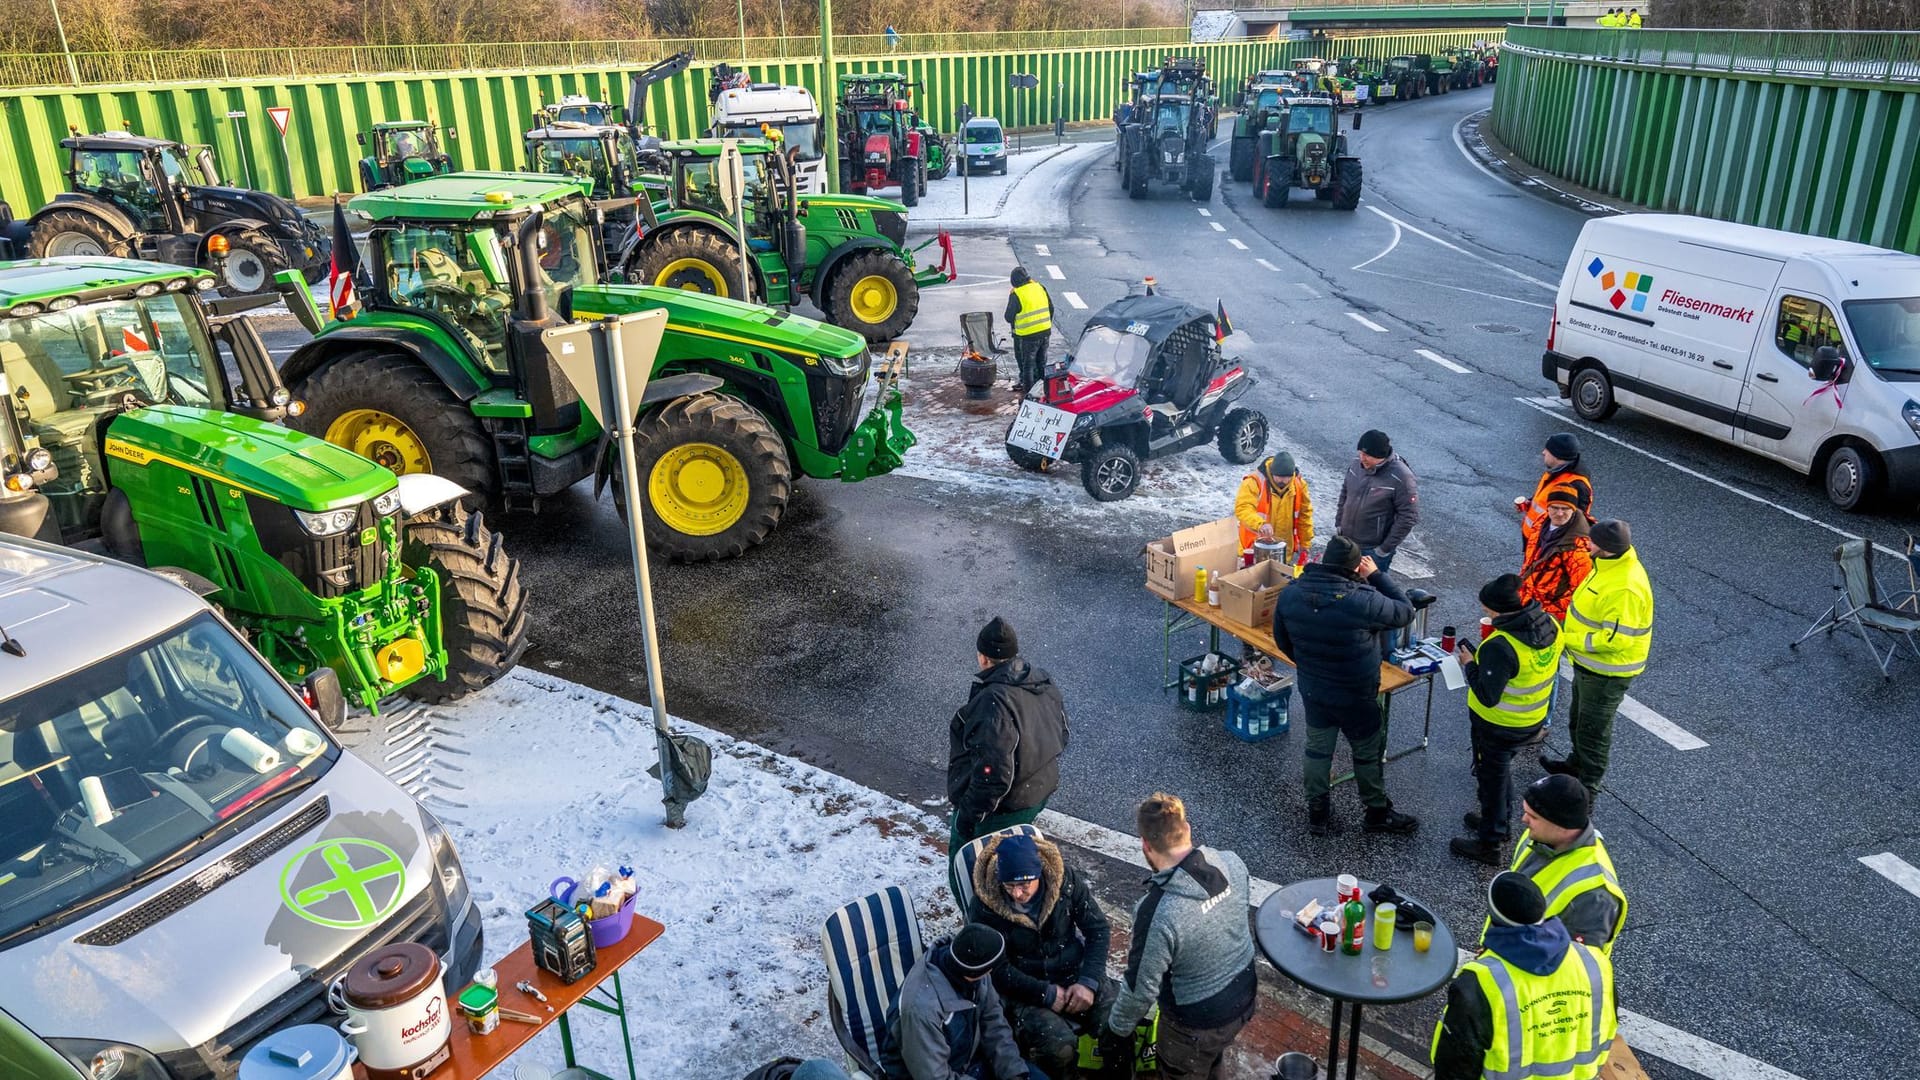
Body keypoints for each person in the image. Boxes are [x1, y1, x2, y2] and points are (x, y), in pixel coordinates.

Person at [1272, 536, 1419, 836]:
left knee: (1317, 751)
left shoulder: (1291, 594)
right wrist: (1376, 575)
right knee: (1366, 752)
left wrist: (1309, 665)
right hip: (1357, 693)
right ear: (1355, 568)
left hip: (1315, 690)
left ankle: (1318, 813)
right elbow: (1405, 612)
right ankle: (1376, 812)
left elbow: (1282, 640)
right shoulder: (1362, 599)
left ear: (1325, 560)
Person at [1103, 793, 1257, 1080]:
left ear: (1146, 846)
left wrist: (1115, 1032)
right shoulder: (1231, 862)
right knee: (1212, 1058)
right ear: (1187, 830)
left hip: (1195, 1024)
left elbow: (1140, 991)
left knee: (1183, 1070)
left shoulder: (1157, 912)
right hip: (1245, 997)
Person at [1431, 873, 1617, 1080]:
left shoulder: (1481, 982)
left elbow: (1456, 1064)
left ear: (1493, 915)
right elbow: (1607, 1027)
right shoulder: (1595, 963)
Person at [968, 833, 1112, 1075]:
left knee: (1117, 1022)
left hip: (1073, 972)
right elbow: (995, 967)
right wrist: (1044, 993)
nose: (1017, 894)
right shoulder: (985, 905)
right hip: (1024, 989)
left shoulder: (1066, 882)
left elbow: (1098, 930)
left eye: (1024, 885)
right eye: (1010, 886)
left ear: (1039, 875)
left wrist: (1088, 981)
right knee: (1060, 1047)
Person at [948, 617, 1069, 897]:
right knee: (1015, 850)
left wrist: (968, 816)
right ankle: (1017, 889)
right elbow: (1062, 734)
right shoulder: (1041, 681)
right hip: (1037, 792)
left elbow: (993, 776)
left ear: (983, 658)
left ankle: (981, 917)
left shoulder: (993, 704)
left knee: (965, 863)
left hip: (1004, 805)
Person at [1450, 574, 1563, 866]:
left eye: (1489, 609)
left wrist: (1470, 664)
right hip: (1531, 720)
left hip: (1498, 725)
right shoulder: (1551, 626)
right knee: (1500, 774)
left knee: (1493, 779)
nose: (1487, 613)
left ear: (1502, 611)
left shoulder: (1501, 645)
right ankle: (1499, 823)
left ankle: (1490, 842)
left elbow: (1488, 694)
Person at [1544, 521, 1652, 795]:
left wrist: (1568, 640)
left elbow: (1615, 640)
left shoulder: (1624, 587)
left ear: (1603, 548)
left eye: (1591, 542)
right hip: (1589, 667)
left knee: (1593, 731)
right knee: (1578, 721)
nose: (1586, 544)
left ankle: (1588, 787)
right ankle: (1574, 765)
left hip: (1606, 674)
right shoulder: (1609, 566)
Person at [1480, 776, 1628, 955]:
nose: (1524, 820)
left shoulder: (1595, 897)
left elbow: (1575, 965)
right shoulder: (1538, 836)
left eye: (1533, 816)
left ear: (1563, 825)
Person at [880, 923, 1043, 1080]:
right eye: (990, 968)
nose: (991, 972)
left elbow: (993, 1023)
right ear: (974, 973)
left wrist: (1013, 1073)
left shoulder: (973, 969)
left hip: (967, 1059)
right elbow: (935, 1076)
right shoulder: (922, 1010)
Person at [1335, 429, 1419, 577]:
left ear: (1381, 456)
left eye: (1367, 455)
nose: (1361, 458)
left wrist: (1384, 549)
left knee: (1370, 592)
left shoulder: (1401, 477)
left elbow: (1408, 517)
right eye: (1360, 452)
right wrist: (1339, 524)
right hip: (1346, 542)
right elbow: (1345, 492)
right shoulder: (1357, 464)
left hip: (1372, 550)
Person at [1518, 490, 1592, 624]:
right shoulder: (1542, 521)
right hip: (1528, 601)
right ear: (1548, 507)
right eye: (1555, 507)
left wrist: (1546, 614)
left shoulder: (1578, 548)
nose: (1559, 513)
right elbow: (1531, 559)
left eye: (1565, 509)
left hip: (1546, 614)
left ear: (1573, 510)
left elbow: (1579, 592)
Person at [1518, 433, 1593, 559]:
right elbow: (1547, 498)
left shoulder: (1577, 485)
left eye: (1547, 450)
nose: (1543, 452)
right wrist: (1530, 502)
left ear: (1557, 455)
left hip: (1547, 546)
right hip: (1535, 539)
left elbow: (1576, 522)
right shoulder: (1556, 471)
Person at [1234, 452, 1313, 564]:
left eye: (1287, 478)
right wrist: (1260, 524)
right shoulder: (1254, 482)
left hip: (1283, 551)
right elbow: (1243, 508)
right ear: (1272, 473)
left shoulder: (1299, 484)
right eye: (1279, 477)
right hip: (1254, 549)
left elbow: (1305, 516)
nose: (1283, 481)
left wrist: (1305, 543)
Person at [1006, 267, 1054, 392]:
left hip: (1028, 337)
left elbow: (1008, 317)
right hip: (1045, 332)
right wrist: (1045, 325)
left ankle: (1029, 395)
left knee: (1028, 366)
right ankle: (1044, 392)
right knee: (1041, 364)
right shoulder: (1040, 287)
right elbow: (1051, 308)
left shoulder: (1017, 294)